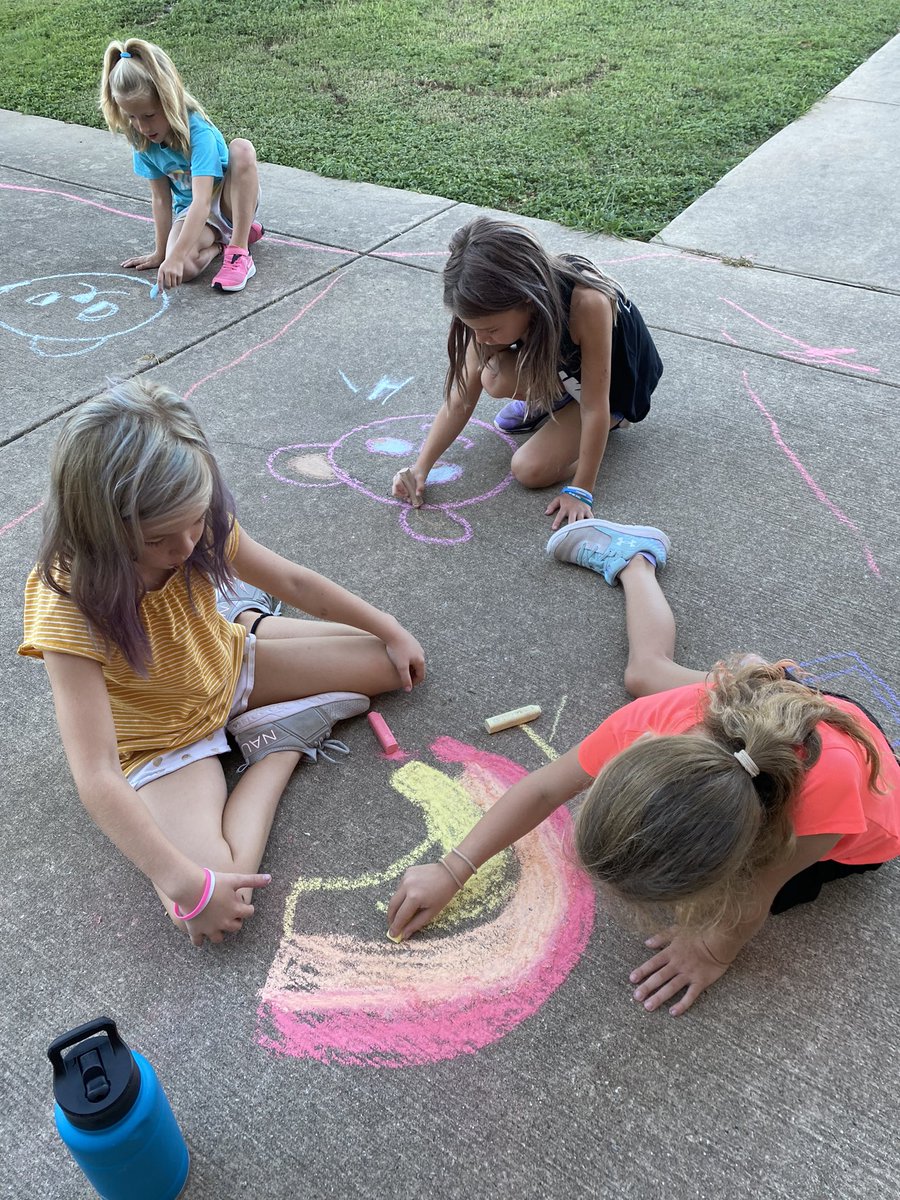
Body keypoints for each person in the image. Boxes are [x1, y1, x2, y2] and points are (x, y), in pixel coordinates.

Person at [387, 518, 900, 1015]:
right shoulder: (653, 720)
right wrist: (453, 868)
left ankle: (757, 676)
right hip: (763, 714)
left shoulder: (819, 804)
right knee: (646, 675)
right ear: (637, 752)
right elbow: (545, 790)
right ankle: (641, 568)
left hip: (857, 791)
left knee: (772, 894)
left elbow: (754, 893)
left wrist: (710, 951)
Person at [20, 380, 425, 946]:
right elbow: (96, 773)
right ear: (103, 528)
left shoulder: (191, 519)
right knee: (216, 903)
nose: (187, 546)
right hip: (161, 742)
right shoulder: (68, 602)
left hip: (225, 667)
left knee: (392, 665)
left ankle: (250, 622)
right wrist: (185, 883)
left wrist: (390, 627)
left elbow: (290, 579)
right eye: (163, 538)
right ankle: (280, 744)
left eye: (195, 523)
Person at [391, 217, 663, 529]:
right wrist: (420, 467)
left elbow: (594, 405)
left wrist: (582, 488)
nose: (480, 339)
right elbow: (460, 398)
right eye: (473, 328)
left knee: (530, 469)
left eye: (490, 329)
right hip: (564, 369)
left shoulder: (587, 303)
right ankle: (554, 400)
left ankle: (602, 426)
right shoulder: (493, 305)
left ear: (526, 300)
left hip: (614, 389)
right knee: (491, 375)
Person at [100, 39, 263, 293]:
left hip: (228, 200)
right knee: (182, 270)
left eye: (149, 116)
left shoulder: (198, 132)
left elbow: (202, 201)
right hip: (195, 213)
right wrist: (162, 253)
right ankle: (221, 244)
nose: (143, 127)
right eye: (131, 117)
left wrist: (173, 257)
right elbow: (161, 200)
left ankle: (239, 250)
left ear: (169, 101)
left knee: (241, 149)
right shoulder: (142, 140)